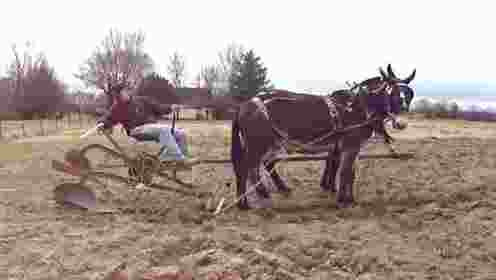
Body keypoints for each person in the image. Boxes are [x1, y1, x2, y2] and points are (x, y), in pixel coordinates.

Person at [96, 90, 199, 167]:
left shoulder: (141, 100)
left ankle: (172, 160)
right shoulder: (118, 107)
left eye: (123, 93)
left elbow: (158, 108)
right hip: (136, 131)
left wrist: (171, 107)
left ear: (127, 91)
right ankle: (179, 158)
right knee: (163, 130)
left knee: (180, 134)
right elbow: (108, 118)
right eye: (119, 95)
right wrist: (102, 123)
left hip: (151, 127)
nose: (122, 96)